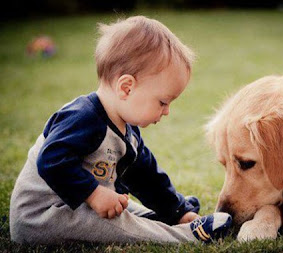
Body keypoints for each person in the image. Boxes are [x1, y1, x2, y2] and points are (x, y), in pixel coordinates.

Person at [9, 15, 231, 244]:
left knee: (123, 209)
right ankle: (188, 235)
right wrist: (93, 193)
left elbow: (146, 176)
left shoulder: (126, 130)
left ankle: (173, 219)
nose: (166, 112)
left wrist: (178, 210)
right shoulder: (82, 117)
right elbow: (51, 159)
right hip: (44, 216)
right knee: (119, 223)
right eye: (163, 102)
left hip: (80, 208)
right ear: (126, 88)